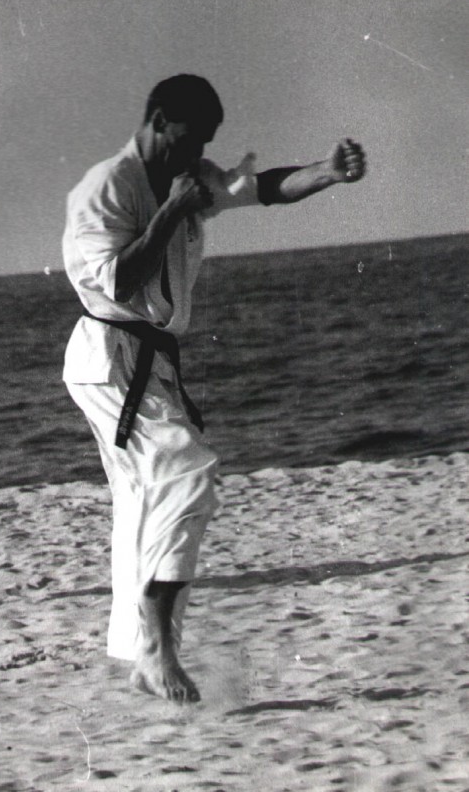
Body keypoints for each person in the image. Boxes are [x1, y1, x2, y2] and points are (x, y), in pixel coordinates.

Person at [62, 74, 366, 703]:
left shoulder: (189, 175)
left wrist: (326, 172)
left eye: (204, 141)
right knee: (187, 472)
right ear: (158, 120)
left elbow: (262, 188)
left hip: (148, 360)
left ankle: (142, 655)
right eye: (189, 136)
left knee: (145, 501)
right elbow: (119, 283)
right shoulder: (106, 187)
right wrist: (173, 210)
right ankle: (156, 650)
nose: (197, 151)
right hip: (109, 355)